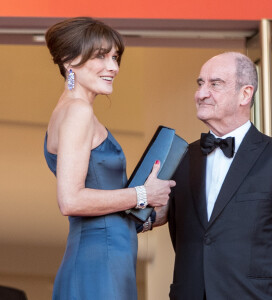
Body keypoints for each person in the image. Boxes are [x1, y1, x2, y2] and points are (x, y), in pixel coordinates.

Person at [43, 17, 175, 300]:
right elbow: (71, 200)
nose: (113, 67)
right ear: (69, 61)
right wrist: (143, 193)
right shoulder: (78, 111)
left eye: (115, 57)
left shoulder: (68, 111)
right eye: (101, 56)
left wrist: (147, 216)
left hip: (104, 255)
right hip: (99, 262)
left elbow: (101, 205)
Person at [168, 52, 272, 300]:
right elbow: (183, 237)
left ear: (245, 94)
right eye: (200, 83)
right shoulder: (182, 157)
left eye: (215, 84)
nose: (201, 94)